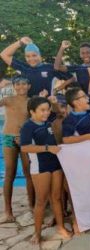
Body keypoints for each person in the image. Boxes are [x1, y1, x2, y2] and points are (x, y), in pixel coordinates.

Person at [20, 96, 72, 244]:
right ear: (32, 111)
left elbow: (56, 111)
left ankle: (61, 227)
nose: (46, 113)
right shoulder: (28, 126)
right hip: (40, 167)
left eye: (47, 110)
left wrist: (53, 102)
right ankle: (37, 233)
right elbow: (24, 147)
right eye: (42, 110)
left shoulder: (47, 121)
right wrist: (48, 148)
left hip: (55, 164)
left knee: (56, 197)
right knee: (41, 201)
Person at [62, 67, 90, 234]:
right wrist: (87, 137)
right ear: (76, 102)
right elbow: (66, 139)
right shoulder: (70, 120)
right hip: (80, 160)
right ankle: (76, 220)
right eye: (83, 97)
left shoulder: (87, 108)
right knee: (79, 190)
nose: (87, 98)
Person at [0, 77, 34, 223]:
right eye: (18, 84)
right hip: (9, 138)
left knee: (29, 173)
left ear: (29, 85)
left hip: (25, 139)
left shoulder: (32, 101)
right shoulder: (8, 99)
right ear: (13, 86)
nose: (21, 86)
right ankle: (8, 211)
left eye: (24, 84)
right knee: (9, 173)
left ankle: (32, 207)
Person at [0, 37, 74, 97]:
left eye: (34, 55)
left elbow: (72, 78)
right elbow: (4, 54)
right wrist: (20, 42)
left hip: (47, 110)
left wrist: (57, 89)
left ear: (40, 56)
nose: (31, 59)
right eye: (28, 56)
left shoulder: (49, 67)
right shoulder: (23, 67)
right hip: (29, 109)